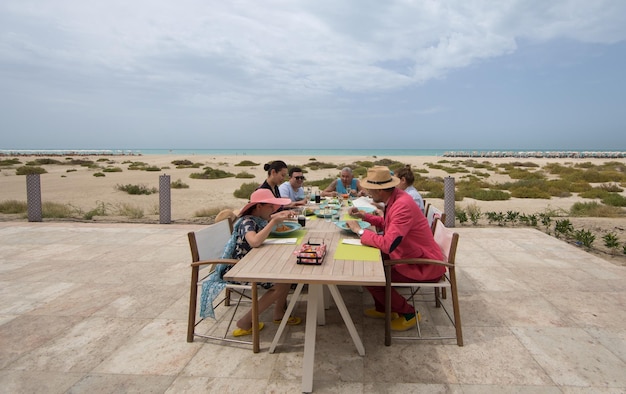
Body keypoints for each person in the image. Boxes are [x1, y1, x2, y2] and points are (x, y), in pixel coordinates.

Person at [346, 166, 445, 331]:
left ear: (379, 191)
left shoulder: (402, 205)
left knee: (370, 276)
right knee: (369, 266)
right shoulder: (396, 198)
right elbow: (389, 225)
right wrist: (365, 216)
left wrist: (360, 231)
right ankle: (385, 308)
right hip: (412, 255)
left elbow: (388, 243)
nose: (367, 191)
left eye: (370, 188)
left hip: (424, 265)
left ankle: (409, 313)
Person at [201, 188, 302, 337]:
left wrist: (277, 216)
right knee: (281, 284)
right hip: (238, 270)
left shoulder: (256, 218)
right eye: (270, 206)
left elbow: (269, 219)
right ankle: (245, 321)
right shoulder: (246, 222)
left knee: (285, 275)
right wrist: (273, 220)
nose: (273, 208)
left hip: (251, 264)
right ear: (259, 206)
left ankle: (279, 313)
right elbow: (254, 241)